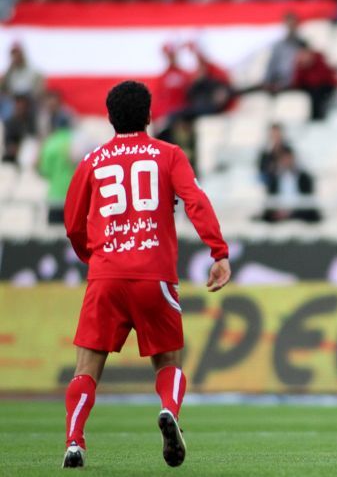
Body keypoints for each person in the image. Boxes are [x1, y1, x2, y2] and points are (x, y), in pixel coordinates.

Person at [61, 81, 231, 468]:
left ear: (110, 118)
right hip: (154, 274)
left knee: (87, 366)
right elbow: (195, 201)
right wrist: (218, 252)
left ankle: (74, 441)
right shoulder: (169, 154)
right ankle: (169, 410)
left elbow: (72, 223)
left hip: (106, 275)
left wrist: (93, 259)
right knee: (169, 360)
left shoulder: (92, 160)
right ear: (150, 115)